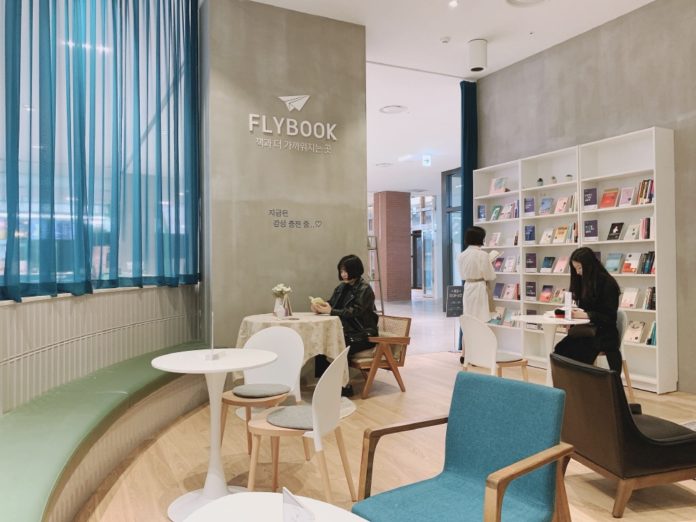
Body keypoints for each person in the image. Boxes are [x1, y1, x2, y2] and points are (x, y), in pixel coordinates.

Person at [312, 254, 379, 396]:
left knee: (340, 345)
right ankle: (326, 382)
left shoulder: (365, 289)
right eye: (341, 271)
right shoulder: (342, 287)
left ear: (355, 270)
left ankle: (344, 386)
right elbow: (331, 303)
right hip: (346, 331)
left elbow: (356, 311)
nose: (343, 274)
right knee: (321, 343)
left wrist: (331, 311)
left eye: (346, 271)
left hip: (363, 334)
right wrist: (320, 306)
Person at [553, 247, 621, 370]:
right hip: (586, 331)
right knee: (560, 350)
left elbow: (609, 318)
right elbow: (584, 309)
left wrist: (586, 315)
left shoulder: (608, 284)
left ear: (590, 265)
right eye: (575, 268)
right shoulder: (585, 282)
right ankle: (568, 382)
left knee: (576, 354)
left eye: (580, 268)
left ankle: (582, 381)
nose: (577, 272)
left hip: (604, 333)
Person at [456, 226, 496, 323]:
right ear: (480, 238)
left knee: (469, 318)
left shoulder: (461, 255)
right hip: (479, 288)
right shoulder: (483, 255)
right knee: (481, 319)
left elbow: (462, 274)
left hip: (467, 287)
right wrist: (490, 263)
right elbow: (490, 276)